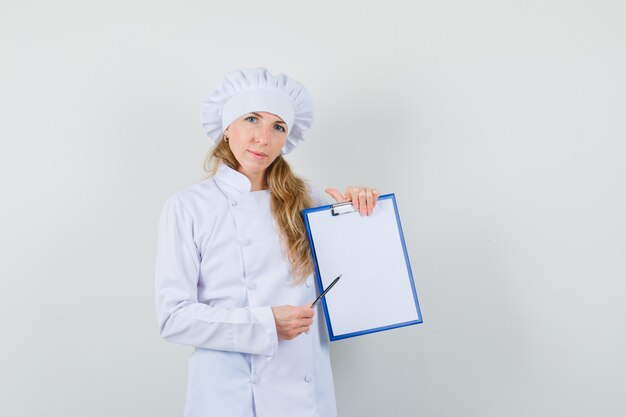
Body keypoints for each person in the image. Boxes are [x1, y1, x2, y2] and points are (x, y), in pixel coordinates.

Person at [155, 68, 379, 417]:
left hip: (305, 397)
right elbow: (173, 317)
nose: (264, 137)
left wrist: (362, 211)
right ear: (227, 128)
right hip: (227, 395)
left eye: (278, 127)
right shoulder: (188, 207)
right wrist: (265, 324)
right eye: (252, 119)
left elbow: (361, 281)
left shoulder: (312, 201)